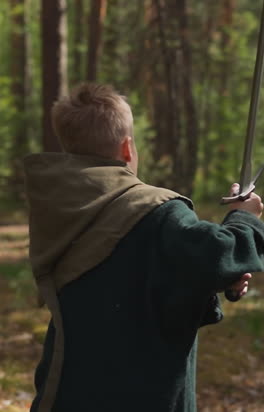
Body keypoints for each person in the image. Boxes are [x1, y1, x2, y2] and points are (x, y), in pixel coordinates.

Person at [24, 83, 264, 412]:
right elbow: (220, 253)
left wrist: (222, 280)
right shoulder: (156, 211)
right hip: (143, 392)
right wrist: (243, 219)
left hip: (71, 388)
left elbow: (143, 272)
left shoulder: (60, 208)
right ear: (127, 149)